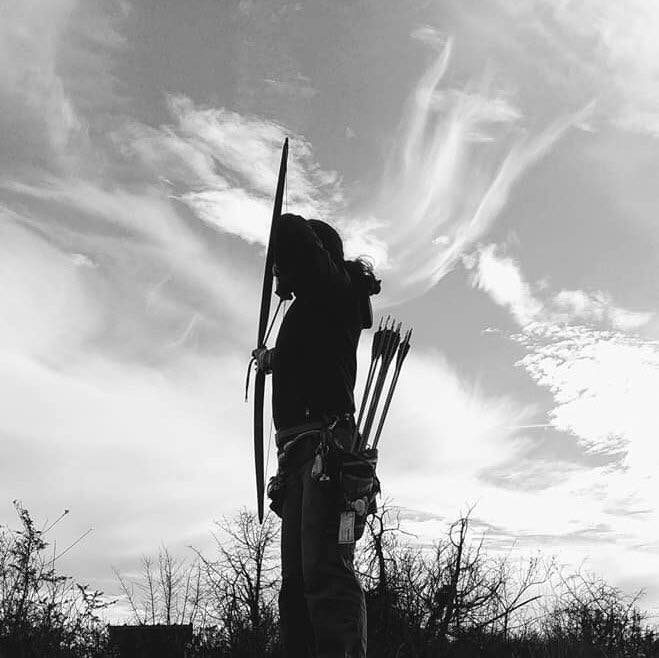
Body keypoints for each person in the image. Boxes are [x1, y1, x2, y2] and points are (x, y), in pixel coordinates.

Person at [259, 213, 380, 657]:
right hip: (298, 454)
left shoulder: (335, 288)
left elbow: (291, 229)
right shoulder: (318, 306)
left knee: (324, 572)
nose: (278, 279)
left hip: (324, 449)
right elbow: (313, 355)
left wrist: (284, 248)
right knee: (296, 582)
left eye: (282, 267)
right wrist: (274, 359)